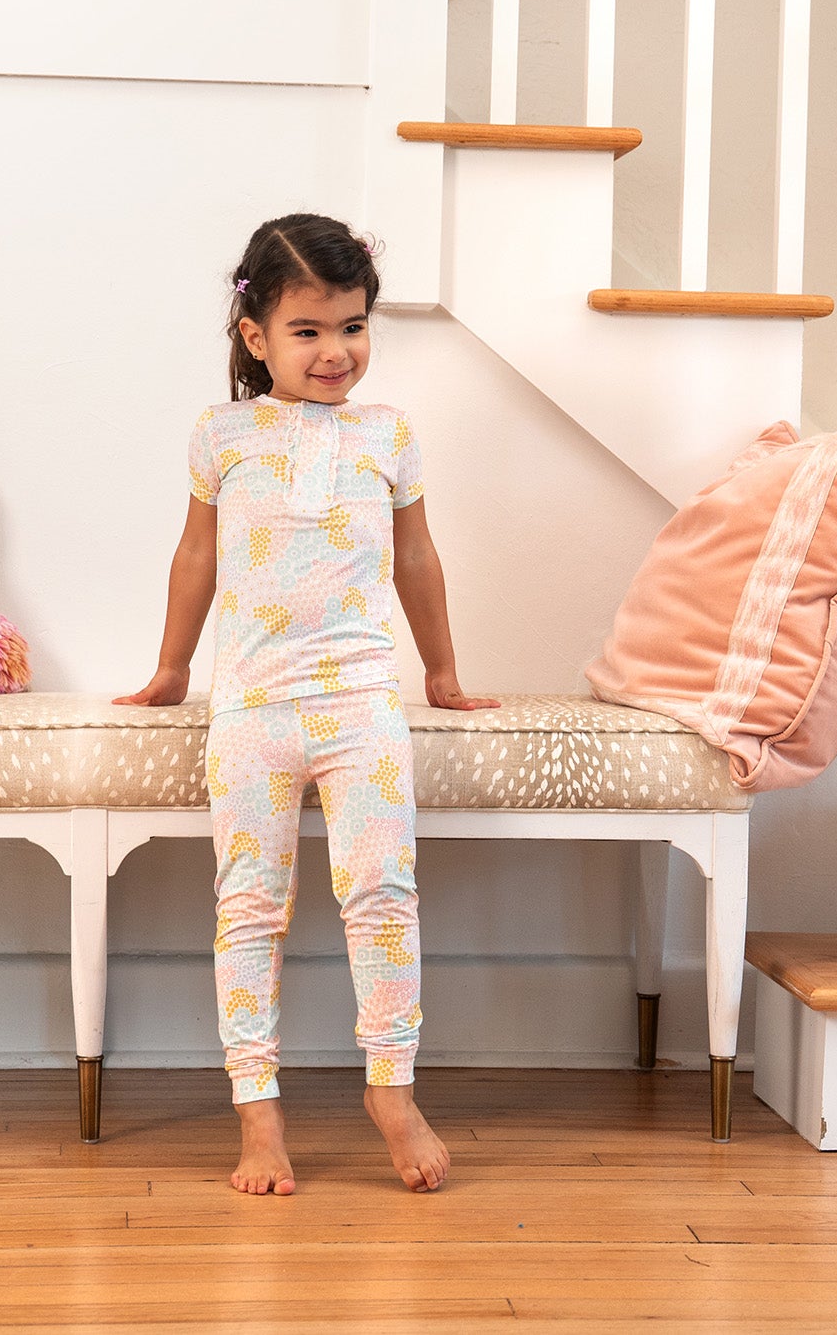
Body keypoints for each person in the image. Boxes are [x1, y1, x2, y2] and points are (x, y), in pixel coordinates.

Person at [115, 212, 498, 1196]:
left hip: (361, 705)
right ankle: (259, 1113)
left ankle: (392, 1088)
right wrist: (170, 671)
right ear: (256, 335)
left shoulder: (389, 437)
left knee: (382, 895)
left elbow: (417, 559)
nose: (336, 352)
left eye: (353, 327)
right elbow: (196, 558)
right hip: (254, 711)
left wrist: (442, 674)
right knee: (250, 908)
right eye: (309, 331)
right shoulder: (223, 434)